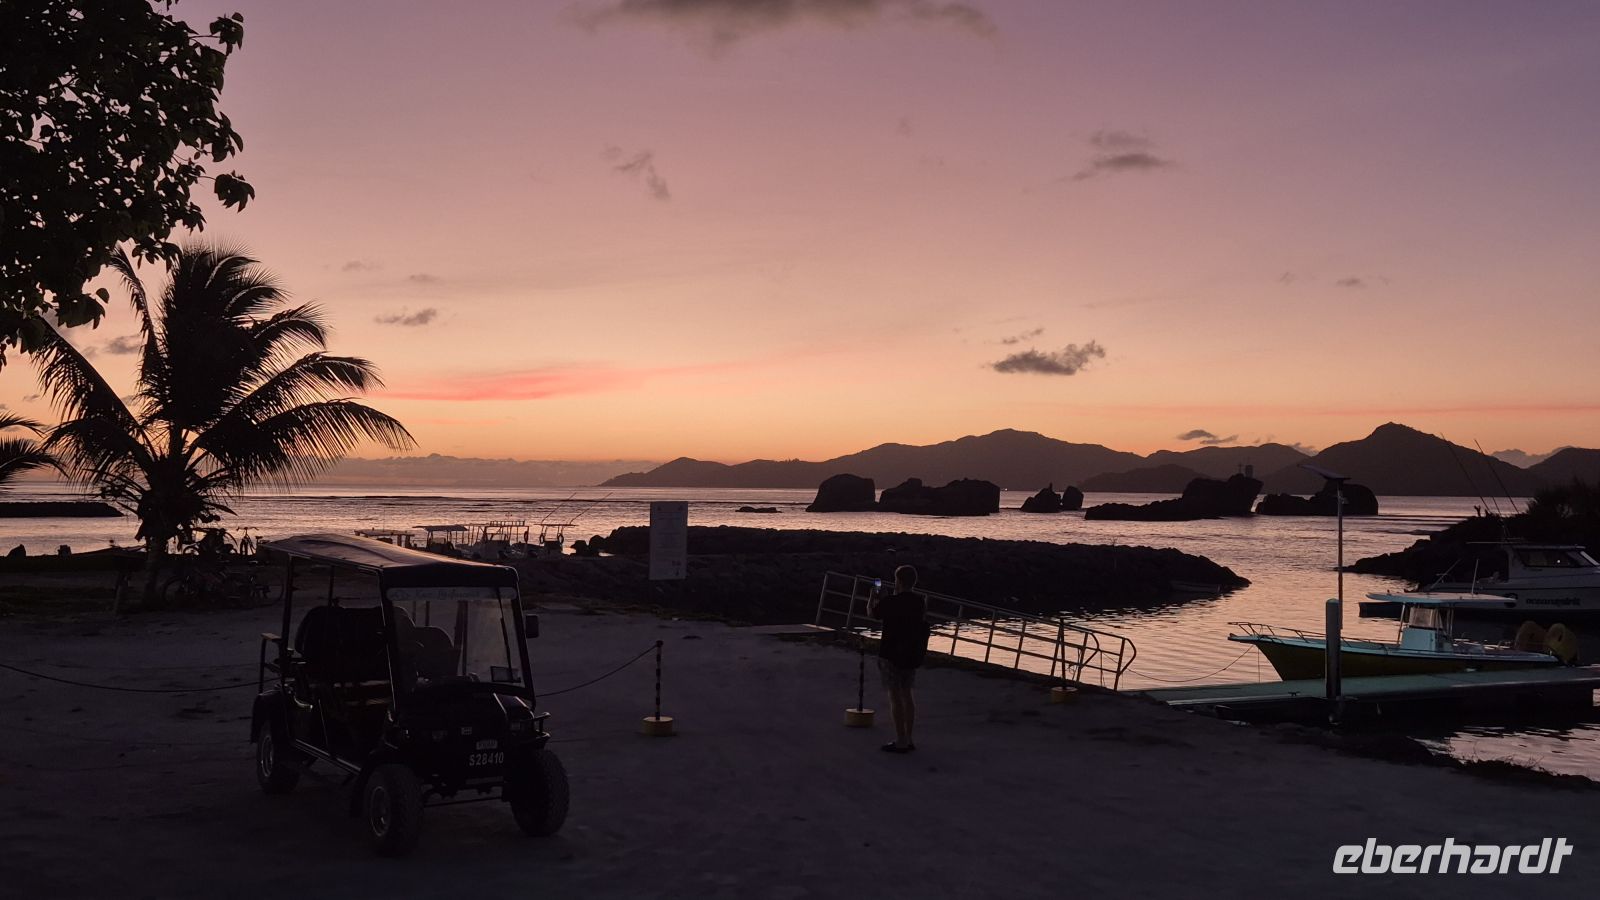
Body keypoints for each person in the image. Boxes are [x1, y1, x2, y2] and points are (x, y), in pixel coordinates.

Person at [869, 565, 927, 753]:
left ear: (898, 581)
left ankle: (900, 740)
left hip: (890, 654)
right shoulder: (919, 601)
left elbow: (872, 614)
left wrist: (873, 598)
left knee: (894, 696)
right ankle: (909, 738)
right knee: (907, 695)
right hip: (911, 653)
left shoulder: (891, 601)